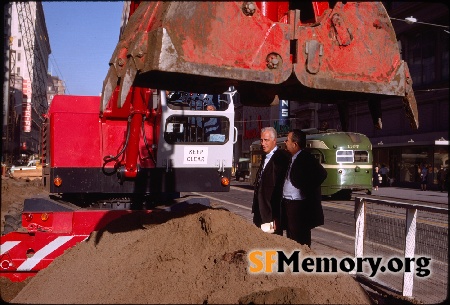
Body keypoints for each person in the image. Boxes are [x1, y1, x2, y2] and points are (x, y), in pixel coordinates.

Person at [281, 129, 327, 247]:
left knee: (300, 239)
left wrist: (305, 189)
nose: (285, 142)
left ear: (295, 144)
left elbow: (322, 174)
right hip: (289, 203)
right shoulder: (291, 157)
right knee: (291, 237)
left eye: (287, 140)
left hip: (299, 206)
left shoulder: (305, 157)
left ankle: (302, 262)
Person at [252, 127, 290, 235]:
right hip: (260, 212)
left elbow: (281, 189)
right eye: (261, 140)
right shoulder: (265, 157)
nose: (263, 143)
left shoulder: (281, 158)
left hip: (271, 213)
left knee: (272, 245)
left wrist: (278, 216)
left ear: (274, 141)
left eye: (266, 140)